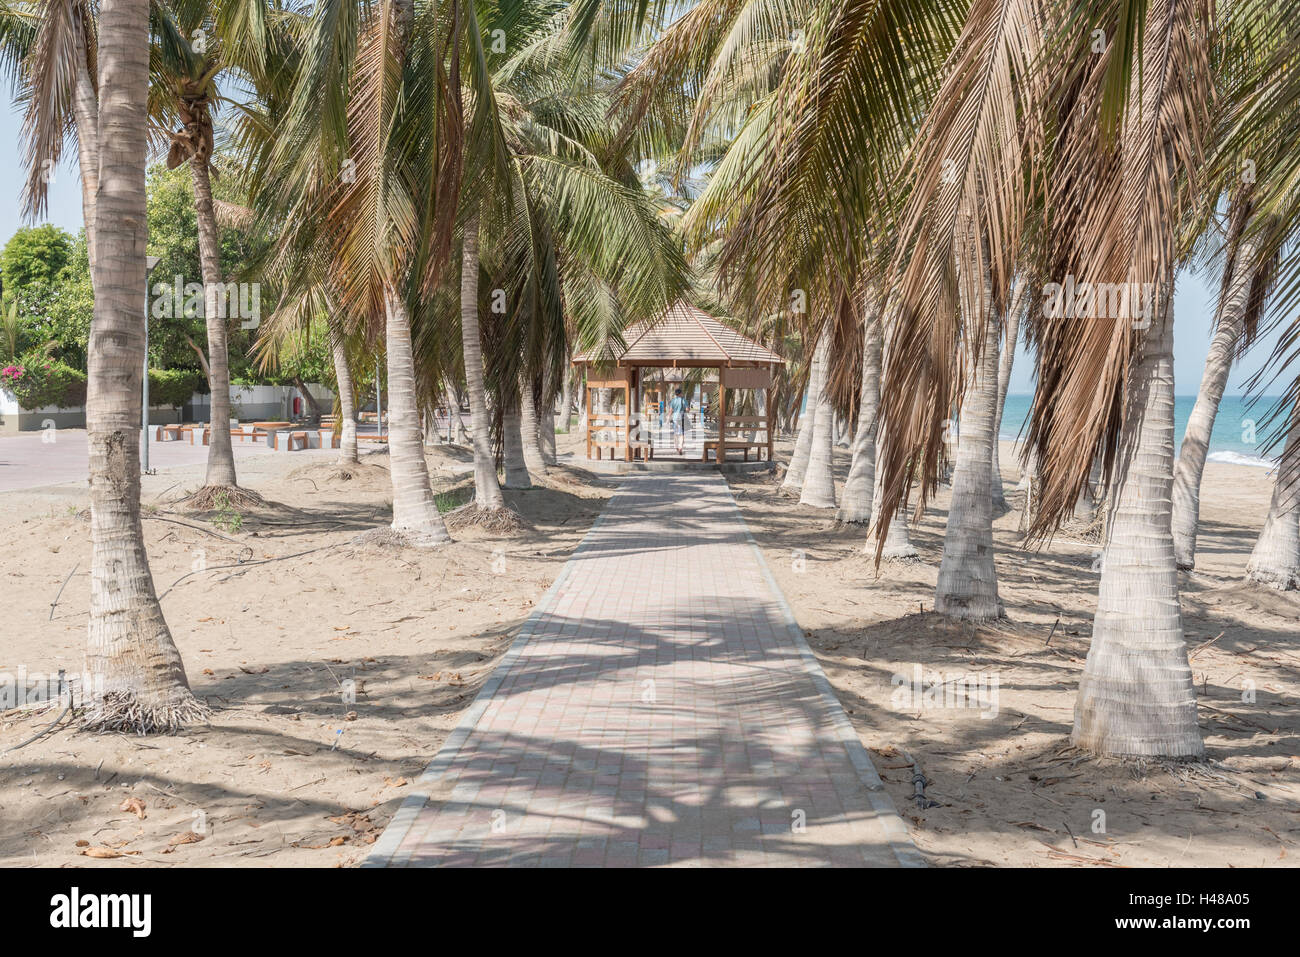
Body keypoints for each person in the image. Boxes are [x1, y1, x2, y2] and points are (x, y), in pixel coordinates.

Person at [668, 387, 688, 455]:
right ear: (680, 393)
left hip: (674, 418)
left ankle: (676, 447)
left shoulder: (673, 400)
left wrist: (668, 418)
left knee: (675, 433)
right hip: (681, 418)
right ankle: (680, 447)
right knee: (681, 434)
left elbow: (670, 410)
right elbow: (687, 409)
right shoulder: (683, 400)